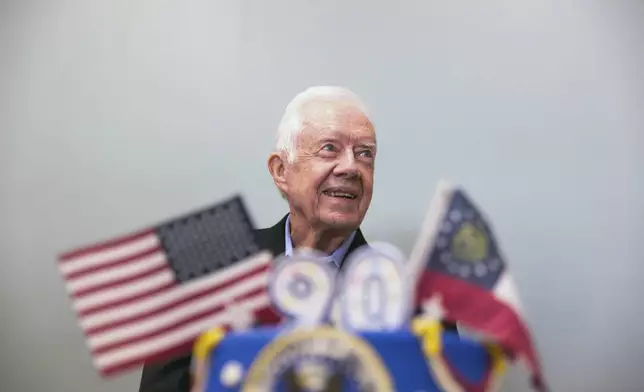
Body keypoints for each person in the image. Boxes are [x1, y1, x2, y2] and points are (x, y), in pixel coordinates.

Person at [138, 86, 376, 392]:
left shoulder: (413, 305)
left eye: (365, 153)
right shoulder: (211, 276)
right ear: (281, 171)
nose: (351, 167)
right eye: (329, 148)